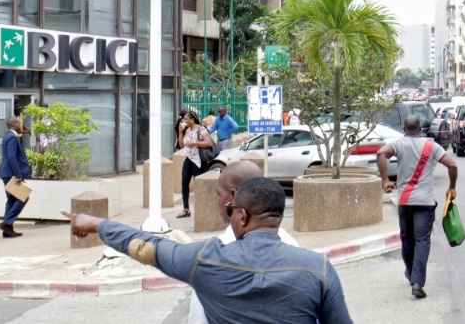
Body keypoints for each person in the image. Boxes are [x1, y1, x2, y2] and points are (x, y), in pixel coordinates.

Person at [62, 177, 352, 324]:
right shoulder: (319, 268)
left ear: (242, 217)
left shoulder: (206, 259)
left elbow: (147, 247)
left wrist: (98, 224)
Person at [188, 161, 299, 324]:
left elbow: (199, 319)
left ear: (233, 198)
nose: (217, 200)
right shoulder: (292, 246)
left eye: (219, 194)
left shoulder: (215, 254)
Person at [376, 115, 458, 299]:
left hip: (405, 201)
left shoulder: (398, 144)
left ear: (405, 129)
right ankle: (417, 282)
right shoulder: (432, 146)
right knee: (422, 240)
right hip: (425, 202)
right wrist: (451, 187)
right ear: (420, 128)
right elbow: (452, 165)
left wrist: (385, 181)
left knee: (407, 238)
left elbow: (381, 154)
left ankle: (411, 272)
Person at [0, 117, 31, 238]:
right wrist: (18, 175)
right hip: (11, 173)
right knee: (23, 196)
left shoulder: (8, 135)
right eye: (18, 123)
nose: (20, 125)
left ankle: (8, 229)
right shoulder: (12, 137)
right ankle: (7, 223)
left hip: (6, 172)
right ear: (13, 124)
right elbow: (12, 157)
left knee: (12, 199)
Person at [177, 111, 213, 218]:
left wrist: (194, 143)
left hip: (198, 160)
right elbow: (182, 145)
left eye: (186, 119)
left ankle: (202, 208)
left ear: (192, 120)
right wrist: (180, 132)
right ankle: (186, 209)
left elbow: (208, 143)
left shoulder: (201, 129)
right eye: (183, 119)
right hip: (188, 159)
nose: (184, 121)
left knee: (199, 184)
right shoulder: (187, 130)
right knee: (184, 182)